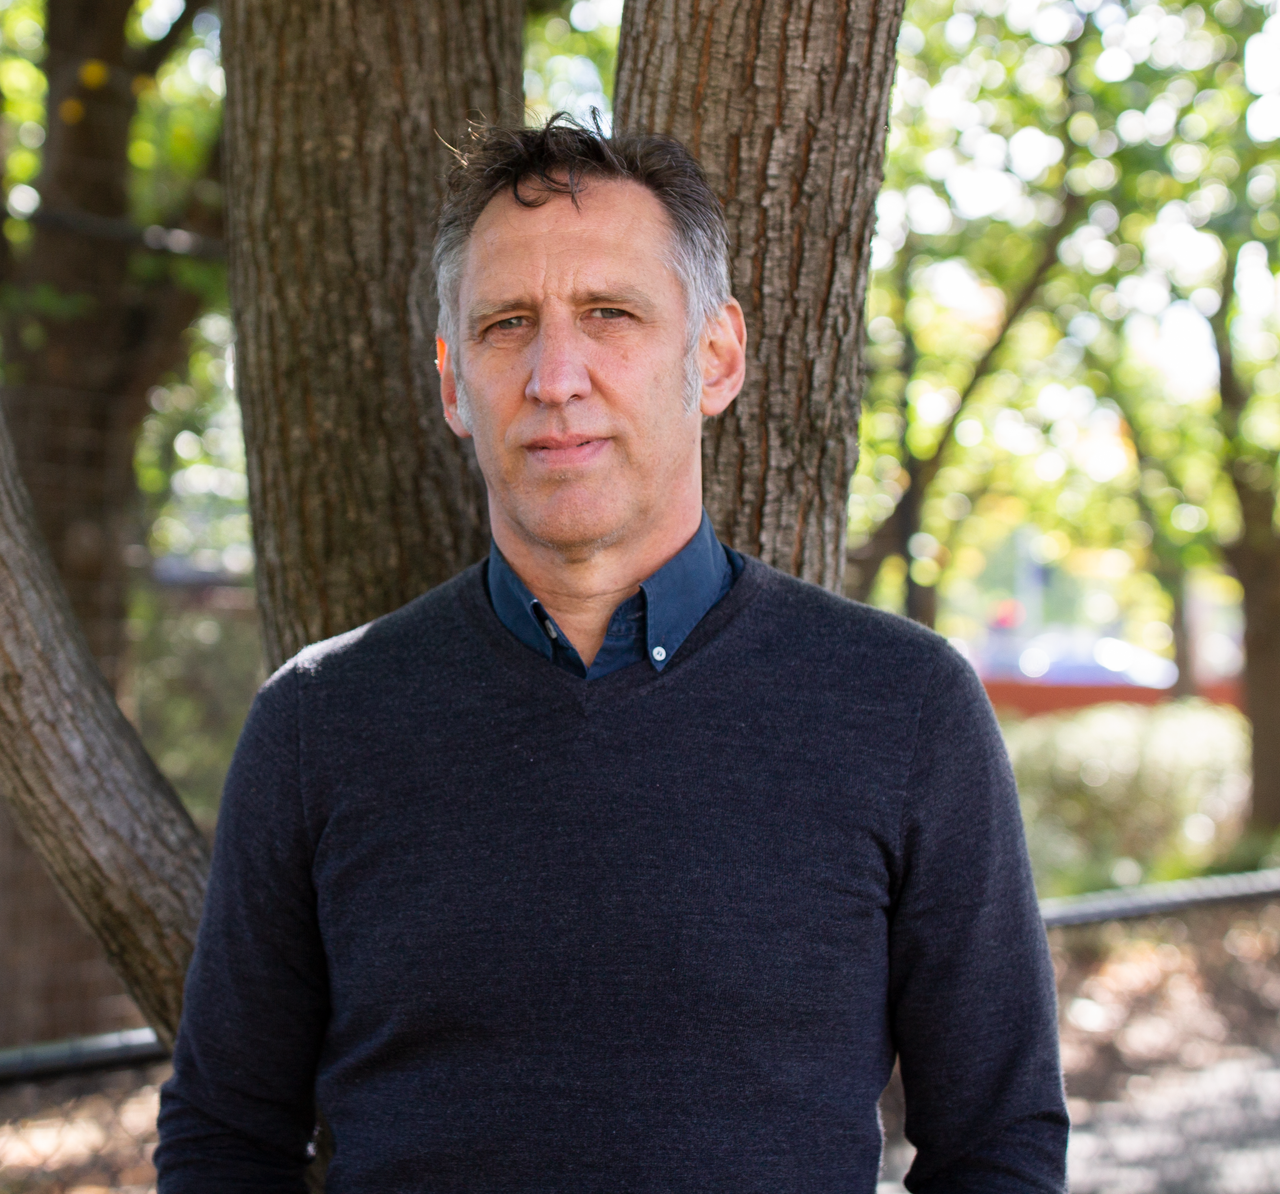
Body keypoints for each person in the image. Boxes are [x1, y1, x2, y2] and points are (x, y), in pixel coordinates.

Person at [156, 118, 1067, 1192]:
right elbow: (224, 1139)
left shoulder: (903, 706)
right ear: (454, 382)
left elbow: (996, 1142)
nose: (554, 374)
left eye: (609, 314)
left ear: (715, 356)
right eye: (506, 324)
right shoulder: (319, 721)